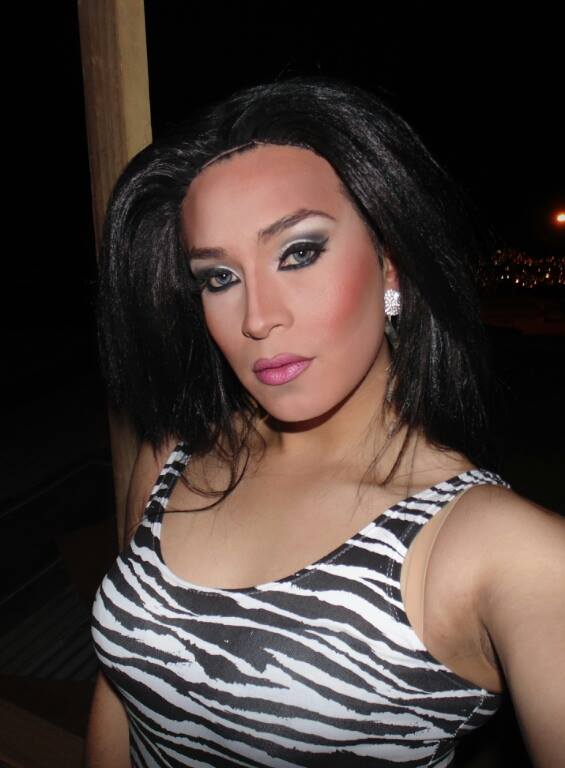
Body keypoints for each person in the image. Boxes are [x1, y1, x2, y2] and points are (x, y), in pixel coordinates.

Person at [85, 75, 564, 768]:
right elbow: (121, 686)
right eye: (219, 277)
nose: (257, 317)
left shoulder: (500, 550)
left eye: (299, 253)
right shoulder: (173, 457)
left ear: (390, 266)